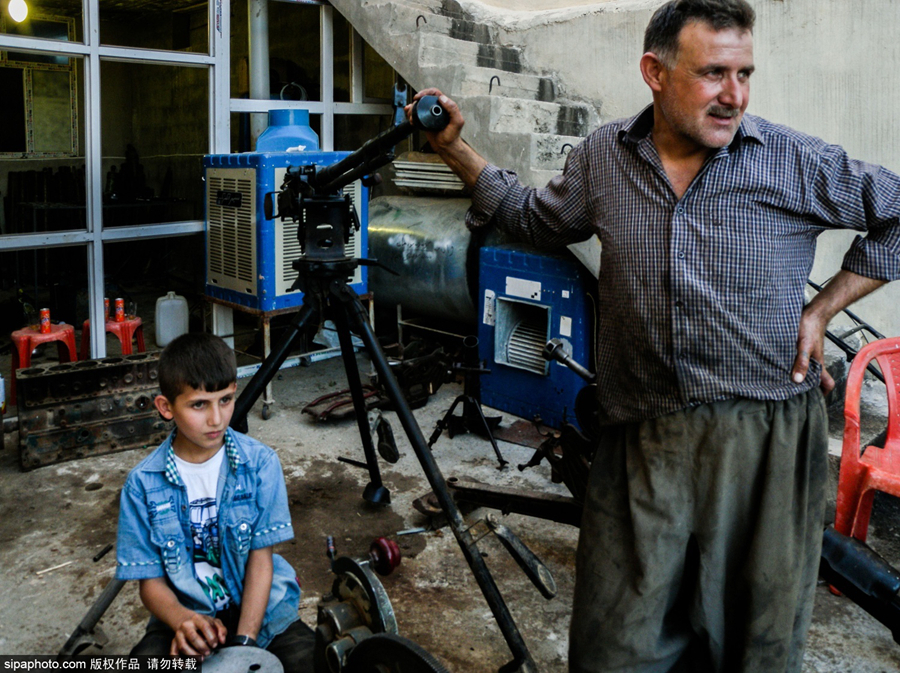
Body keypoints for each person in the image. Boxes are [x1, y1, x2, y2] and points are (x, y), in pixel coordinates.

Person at [409, 0, 900, 671]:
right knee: (617, 641)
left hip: (762, 439)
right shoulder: (604, 159)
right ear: (656, 72)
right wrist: (455, 149)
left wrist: (821, 313)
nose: (735, 96)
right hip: (639, 432)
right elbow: (533, 219)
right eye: (714, 74)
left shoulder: (794, 161)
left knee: (754, 643)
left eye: (745, 74)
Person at [115, 333, 314, 672]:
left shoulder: (260, 464)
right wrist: (182, 621)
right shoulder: (142, 485)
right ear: (165, 407)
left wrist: (245, 645)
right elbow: (150, 584)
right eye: (199, 404)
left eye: (226, 399)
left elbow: (260, 560)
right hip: (188, 608)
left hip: (261, 608)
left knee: (312, 661)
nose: (217, 419)